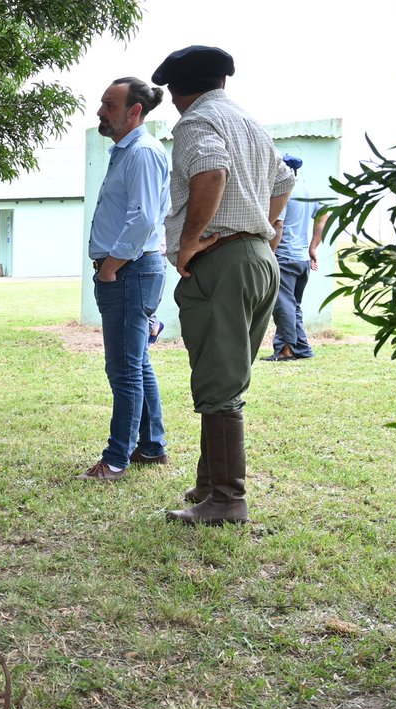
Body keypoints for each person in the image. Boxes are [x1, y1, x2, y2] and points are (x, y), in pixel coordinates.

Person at [151, 45, 295, 525]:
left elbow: (212, 171)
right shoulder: (248, 122)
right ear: (222, 81)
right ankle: (211, 485)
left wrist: (189, 242)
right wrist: (266, 230)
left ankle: (228, 500)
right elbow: (284, 179)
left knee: (218, 382)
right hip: (256, 258)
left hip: (224, 262)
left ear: (176, 91)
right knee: (226, 375)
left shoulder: (196, 122)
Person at [77, 76, 171, 482]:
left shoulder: (143, 153)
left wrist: (112, 266)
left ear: (136, 111)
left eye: (109, 105)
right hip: (127, 270)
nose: (100, 111)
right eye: (102, 103)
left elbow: (144, 218)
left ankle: (116, 459)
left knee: (124, 369)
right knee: (137, 362)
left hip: (129, 272)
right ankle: (151, 445)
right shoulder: (127, 151)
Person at [262, 154, 329, 361]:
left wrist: (269, 254)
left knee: (282, 306)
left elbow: (278, 225)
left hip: (284, 258)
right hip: (302, 260)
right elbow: (323, 215)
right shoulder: (308, 189)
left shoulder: (284, 190)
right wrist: (313, 247)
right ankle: (302, 348)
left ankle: (286, 350)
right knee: (293, 305)